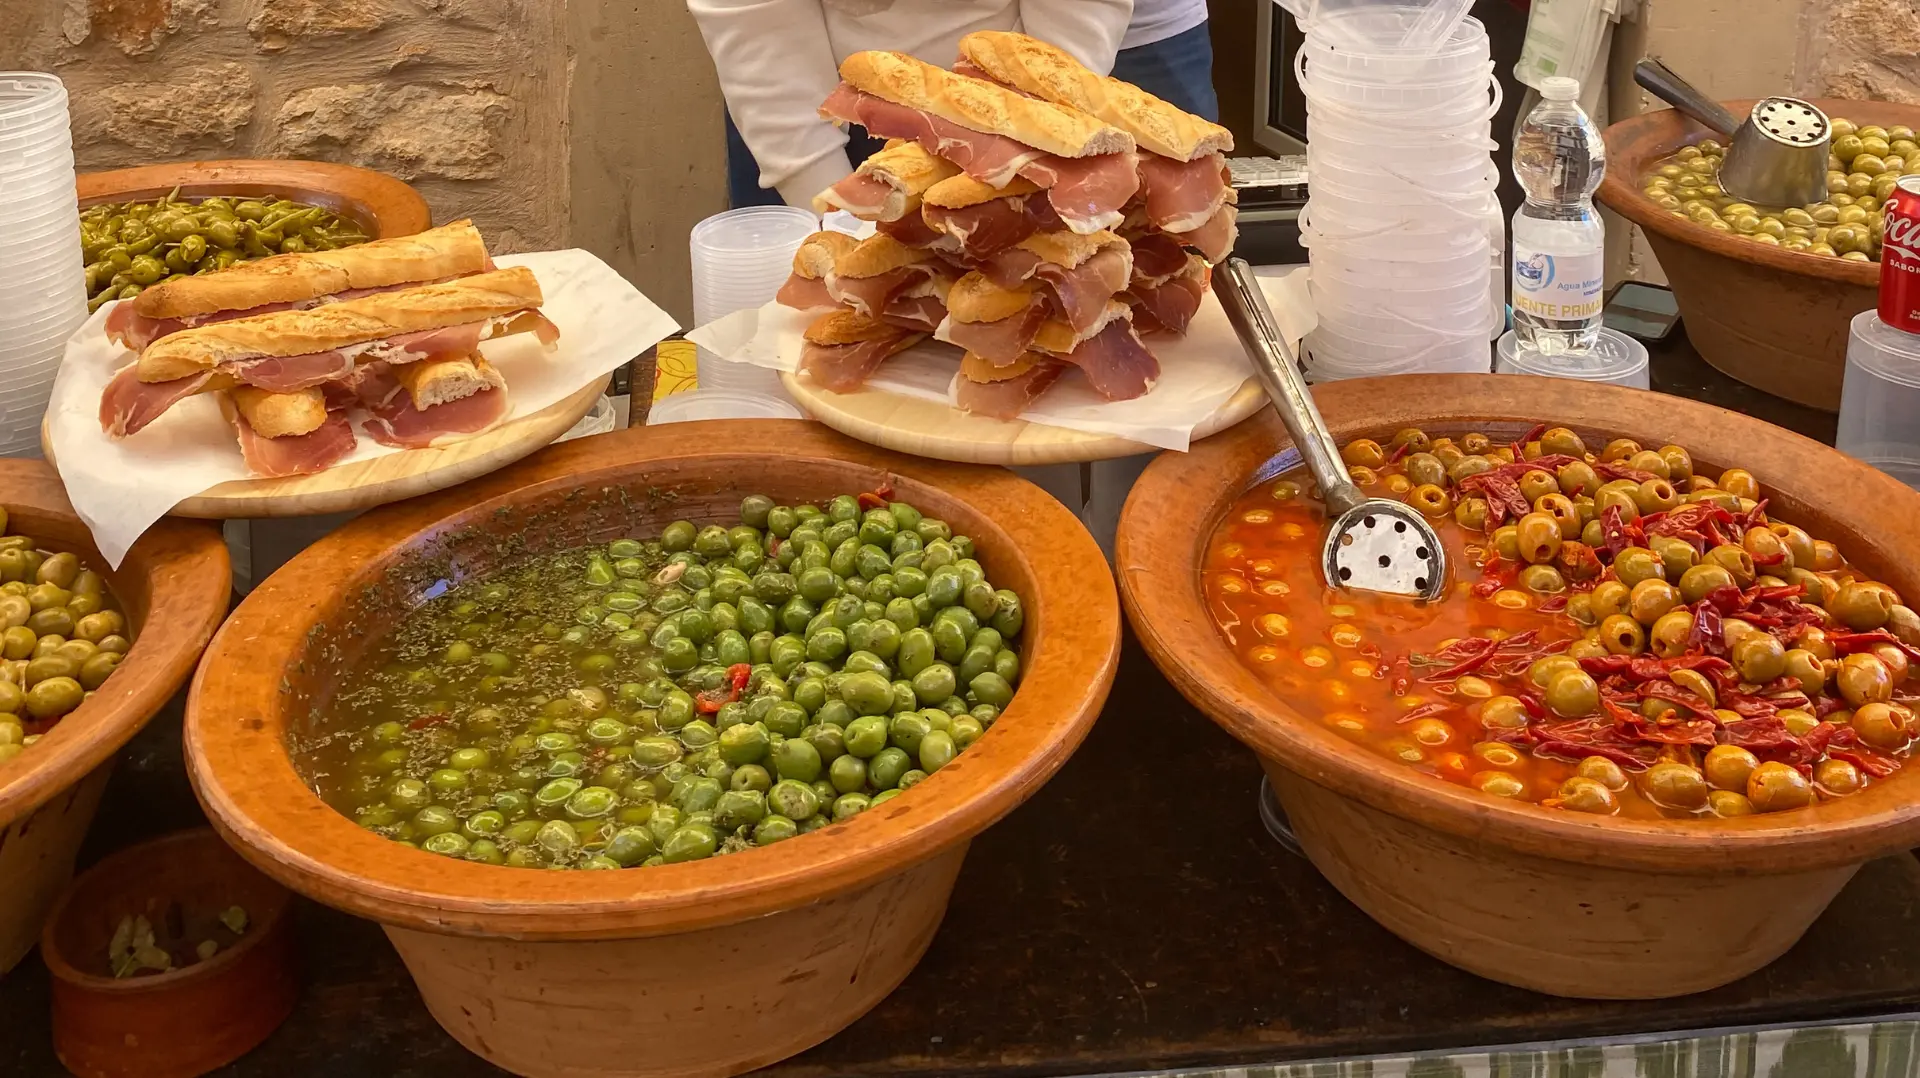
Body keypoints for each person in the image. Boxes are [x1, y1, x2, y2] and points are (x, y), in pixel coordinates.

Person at [693, 1, 1218, 210]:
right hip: (812, 57)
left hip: (1088, 31)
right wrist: (841, 216)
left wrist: (1017, 160)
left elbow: (1054, 54)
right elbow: (756, 19)